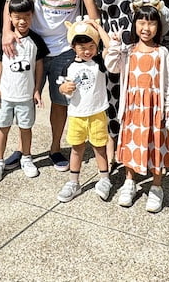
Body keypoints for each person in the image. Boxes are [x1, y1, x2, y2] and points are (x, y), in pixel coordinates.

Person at [1, 0, 84, 172]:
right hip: (31, 47)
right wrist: (7, 31)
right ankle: (22, 149)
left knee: (60, 103)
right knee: (22, 99)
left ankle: (55, 148)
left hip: (65, 48)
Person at [78, 0, 159, 165]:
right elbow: (95, 21)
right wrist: (107, 43)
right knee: (115, 100)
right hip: (113, 49)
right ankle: (119, 154)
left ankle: (144, 148)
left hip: (139, 42)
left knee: (140, 96)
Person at [103, 0, 169, 213]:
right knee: (132, 144)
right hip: (133, 108)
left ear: (158, 26)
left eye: (151, 23)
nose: (146, 27)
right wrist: (114, 45)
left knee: (156, 146)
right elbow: (111, 66)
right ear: (134, 24)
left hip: (155, 109)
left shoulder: (161, 52)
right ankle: (129, 181)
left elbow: (168, 82)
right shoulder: (128, 51)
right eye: (142, 22)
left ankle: (156, 186)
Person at [0, 0, 48, 183]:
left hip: (25, 96)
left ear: (32, 16)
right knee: (2, 127)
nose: (22, 21)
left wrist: (37, 89)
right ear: (10, 18)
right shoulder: (5, 40)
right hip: (6, 95)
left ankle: (27, 158)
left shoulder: (35, 41)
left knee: (26, 128)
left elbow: (39, 66)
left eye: (27, 16)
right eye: (17, 17)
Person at [55, 17, 112, 202]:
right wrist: (63, 89)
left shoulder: (100, 63)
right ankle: (73, 182)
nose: (87, 51)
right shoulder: (68, 67)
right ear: (73, 48)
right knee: (77, 148)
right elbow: (62, 87)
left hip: (97, 113)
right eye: (82, 48)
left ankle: (104, 179)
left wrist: (97, 27)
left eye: (91, 46)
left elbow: (110, 47)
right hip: (76, 115)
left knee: (100, 147)